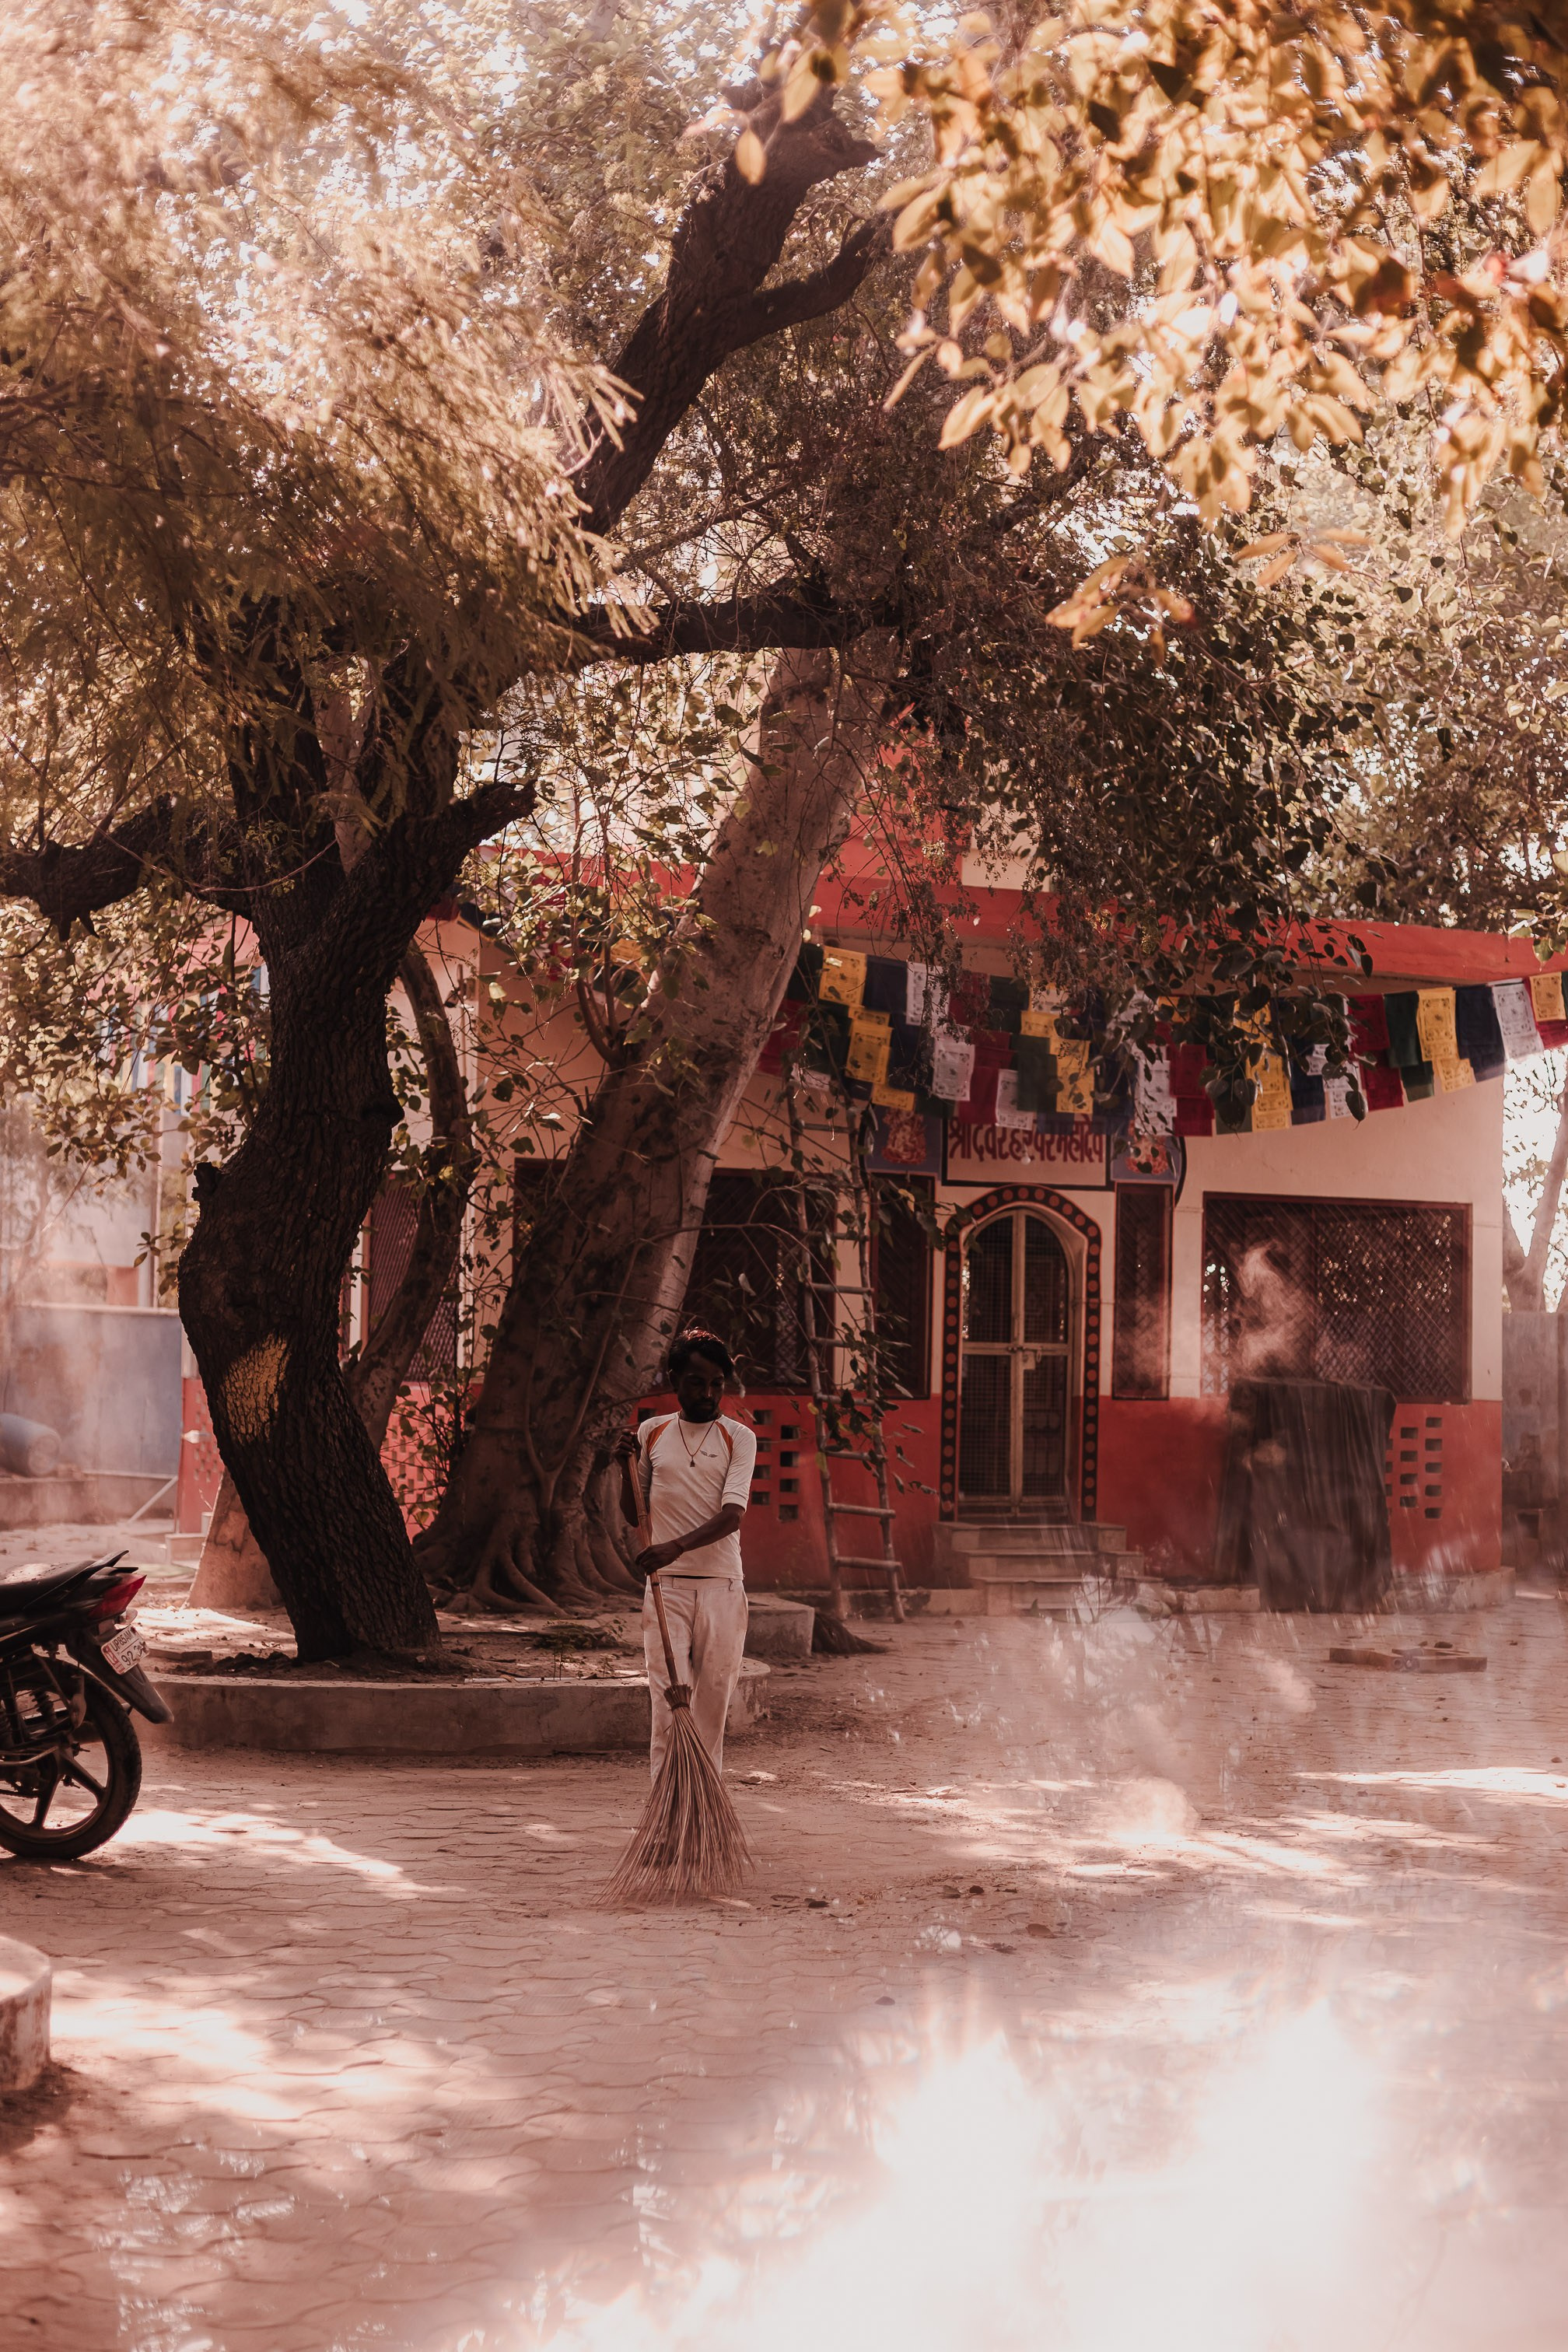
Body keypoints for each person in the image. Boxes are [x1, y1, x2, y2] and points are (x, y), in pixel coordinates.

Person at [614, 1330, 756, 1779]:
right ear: (675, 1379)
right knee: (666, 1705)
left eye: (718, 1383)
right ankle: (664, 1817)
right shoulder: (651, 1433)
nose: (709, 1393)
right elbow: (633, 1512)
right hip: (666, 1592)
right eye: (698, 1382)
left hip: (722, 1590)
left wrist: (674, 1547)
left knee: (711, 1710)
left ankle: (702, 1814)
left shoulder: (740, 1438)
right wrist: (624, 1468)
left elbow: (732, 1516)